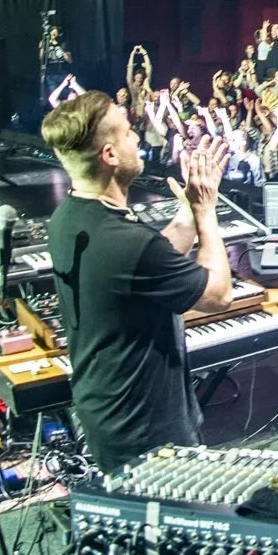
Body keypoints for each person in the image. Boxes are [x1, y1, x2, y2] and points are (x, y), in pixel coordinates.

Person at [41, 90, 236, 474]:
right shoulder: (128, 242)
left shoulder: (69, 218)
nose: (138, 138)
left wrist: (187, 208)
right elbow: (219, 295)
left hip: (107, 412)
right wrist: (207, 212)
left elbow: (150, 258)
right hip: (148, 433)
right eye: (129, 131)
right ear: (110, 155)